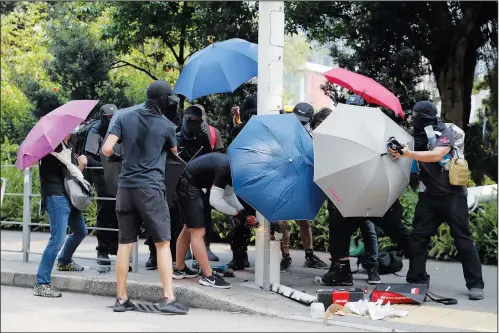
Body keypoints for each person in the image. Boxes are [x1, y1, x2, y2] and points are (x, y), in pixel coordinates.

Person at [102, 79, 188, 313]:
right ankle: (168, 298)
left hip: (125, 189)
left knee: (125, 243)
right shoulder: (166, 126)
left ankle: (121, 299)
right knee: (162, 243)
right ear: (163, 101)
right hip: (150, 189)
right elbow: (175, 154)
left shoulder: (123, 117)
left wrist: (122, 157)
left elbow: (107, 149)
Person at [390, 101, 484, 301]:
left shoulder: (444, 132)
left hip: (453, 195)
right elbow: (410, 156)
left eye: (416, 114)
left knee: (463, 239)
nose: (413, 117)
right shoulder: (417, 136)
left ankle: (476, 284)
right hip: (428, 196)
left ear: (425, 115)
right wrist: (398, 152)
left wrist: (407, 153)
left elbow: (436, 155)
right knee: (418, 238)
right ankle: (417, 279)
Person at [314, 101, 410, 286]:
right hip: (374, 190)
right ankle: (416, 268)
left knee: (341, 230)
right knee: (393, 230)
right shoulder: (371, 130)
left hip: (353, 194)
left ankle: (342, 270)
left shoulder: (341, 136)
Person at [174, 152, 254, 288]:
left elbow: (228, 194)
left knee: (189, 228)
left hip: (188, 182)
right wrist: (235, 213)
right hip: (186, 183)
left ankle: (179, 268)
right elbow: (215, 200)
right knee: (198, 231)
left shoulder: (232, 167)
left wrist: (243, 212)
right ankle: (208, 276)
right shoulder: (226, 168)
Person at [34, 132, 88, 298]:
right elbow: (63, 174)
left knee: (81, 231)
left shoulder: (66, 149)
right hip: (56, 196)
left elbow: (70, 176)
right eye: (68, 131)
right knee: (57, 239)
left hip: (68, 195)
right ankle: (41, 283)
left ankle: (64, 261)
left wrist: (79, 166)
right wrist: (77, 165)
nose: (71, 133)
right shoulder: (49, 150)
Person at [278, 102, 328, 271]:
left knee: (304, 221)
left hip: (302, 180)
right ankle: (285, 256)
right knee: (281, 222)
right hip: (285, 179)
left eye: (303, 121)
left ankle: (309, 255)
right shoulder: (285, 129)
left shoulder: (311, 133)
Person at [184, 105, 222, 263]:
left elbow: (217, 157)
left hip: (204, 181)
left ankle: (205, 248)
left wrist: (212, 182)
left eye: (198, 120)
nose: (194, 123)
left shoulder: (212, 133)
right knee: (183, 218)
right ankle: (184, 249)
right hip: (184, 180)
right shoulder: (178, 134)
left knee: (205, 215)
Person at [84, 104, 118, 265]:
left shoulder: (120, 128)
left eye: (113, 117)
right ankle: (102, 250)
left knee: (121, 212)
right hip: (102, 177)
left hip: (119, 175)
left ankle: (118, 249)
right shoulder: (95, 131)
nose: (111, 120)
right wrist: (107, 164)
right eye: (108, 118)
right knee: (105, 212)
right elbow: (89, 158)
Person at [227, 96, 258, 270]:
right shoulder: (266, 128)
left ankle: (239, 257)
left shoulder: (238, 130)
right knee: (266, 222)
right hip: (263, 179)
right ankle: (274, 258)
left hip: (243, 179)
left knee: (239, 218)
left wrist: (236, 121)